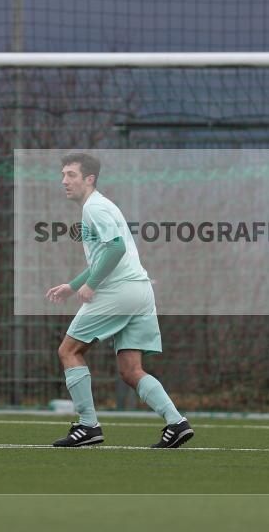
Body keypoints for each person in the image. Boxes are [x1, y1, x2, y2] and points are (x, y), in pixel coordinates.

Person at [45, 152, 194, 448]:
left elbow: (115, 249)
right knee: (130, 370)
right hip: (140, 291)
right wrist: (73, 286)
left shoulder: (94, 209)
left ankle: (88, 425)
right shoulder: (102, 205)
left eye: (71, 175)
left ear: (89, 179)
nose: (64, 181)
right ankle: (176, 423)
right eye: (63, 175)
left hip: (119, 291)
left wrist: (91, 285)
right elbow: (104, 255)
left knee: (69, 351)